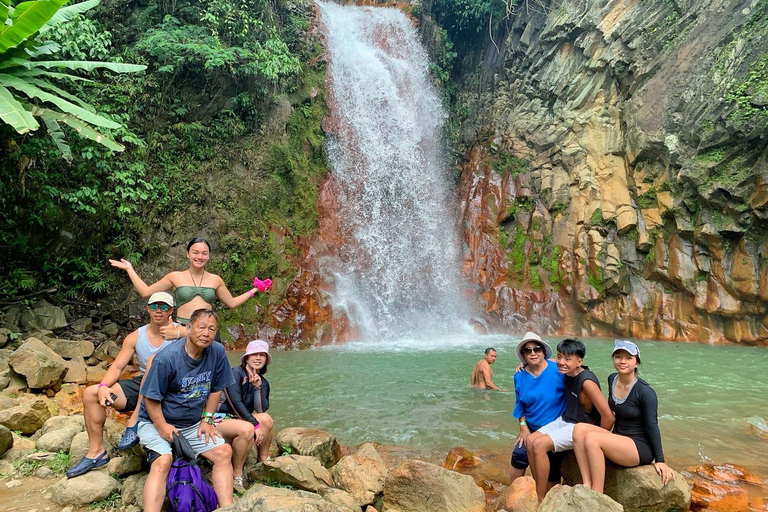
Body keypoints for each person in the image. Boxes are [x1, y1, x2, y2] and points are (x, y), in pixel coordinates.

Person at [66, 292, 178, 478]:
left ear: (171, 311)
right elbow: (117, 366)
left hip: (172, 389)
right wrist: (103, 386)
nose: (159, 311)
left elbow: (207, 338)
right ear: (148, 309)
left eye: (164, 307)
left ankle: (135, 419)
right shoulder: (136, 336)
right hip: (142, 385)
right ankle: (97, 452)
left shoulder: (180, 333)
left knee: (154, 361)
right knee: (91, 394)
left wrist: (182, 332)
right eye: (155, 306)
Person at [136, 309, 236, 512]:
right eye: (201, 327)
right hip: (156, 423)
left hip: (192, 424)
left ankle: (227, 508)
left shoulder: (216, 351)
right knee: (163, 461)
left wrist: (207, 419)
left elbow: (217, 387)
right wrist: (162, 426)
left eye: (211, 329)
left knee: (224, 451)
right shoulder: (167, 358)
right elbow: (150, 398)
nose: (206, 333)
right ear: (188, 328)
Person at [572, 339, 674, 494]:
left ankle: (596, 494)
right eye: (618, 356)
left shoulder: (645, 392)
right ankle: (586, 483)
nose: (622, 361)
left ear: (637, 363)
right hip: (619, 438)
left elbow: (652, 425)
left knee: (592, 439)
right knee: (579, 429)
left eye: (629, 358)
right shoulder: (612, 379)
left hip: (639, 447)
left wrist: (660, 460)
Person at [109, 237, 270, 332]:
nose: (199, 256)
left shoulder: (215, 280)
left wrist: (254, 289)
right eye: (195, 252)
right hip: (181, 328)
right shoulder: (175, 277)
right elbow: (145, 292)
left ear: (208, 256)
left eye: (204, 253)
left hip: (207, 328)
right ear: (188, 254)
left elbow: (232, 303)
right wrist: (129, 268)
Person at [524, 339, 614, 502]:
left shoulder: (587, 382)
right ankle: (541, 489)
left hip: (582, 427)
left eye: (567, 359)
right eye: (559, 357)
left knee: (539, 444)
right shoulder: (567, 371)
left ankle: (541, 498)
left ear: (579, 362)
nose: (561, 362)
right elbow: (551, 361)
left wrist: (596, 440)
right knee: (530, 440)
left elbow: (608, 416)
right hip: (566, 419)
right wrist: (525, 364)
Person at [214, 339, 275, 488]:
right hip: (219, 419)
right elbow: (235, 403)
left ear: (266, 360)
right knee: (247, 429)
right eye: (254, 354)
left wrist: (257, 388)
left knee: (266, 420)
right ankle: (237, 475)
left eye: (262, 355)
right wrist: (254, 424)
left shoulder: (263, 382)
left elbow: (261, 410)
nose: (258, 358)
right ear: (247, 358)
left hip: (239, 419)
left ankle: (263, 460)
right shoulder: (235, 373)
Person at [510, 332, 565, 485]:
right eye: (528, 350)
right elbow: (520, 404)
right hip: (532, 428)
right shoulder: (519, 376)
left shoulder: (559, 370)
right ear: (523, 355)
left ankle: (547, 501)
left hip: (556, 428)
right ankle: (512, 496)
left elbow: (576, 364)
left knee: (552, 467)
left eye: (537, 349)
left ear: (543, 351)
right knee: (519, 453)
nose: (533, 353)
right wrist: (523, 427)